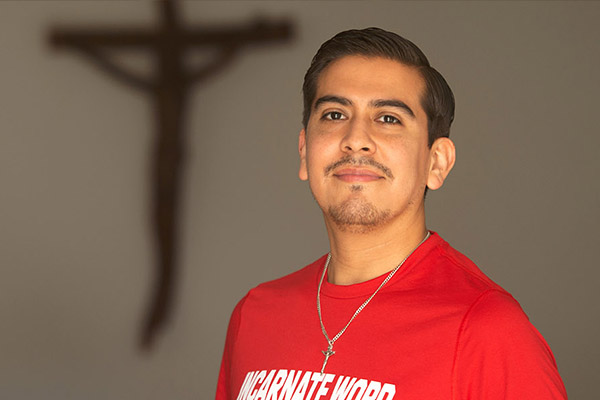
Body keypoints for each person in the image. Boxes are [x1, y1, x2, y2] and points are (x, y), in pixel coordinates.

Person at [216, 28, 567, 400]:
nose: (356, 138)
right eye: (335, 114)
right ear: (305, 151)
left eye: (388, 119)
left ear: (437, 162)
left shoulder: (486, 329)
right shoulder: (255, 316)